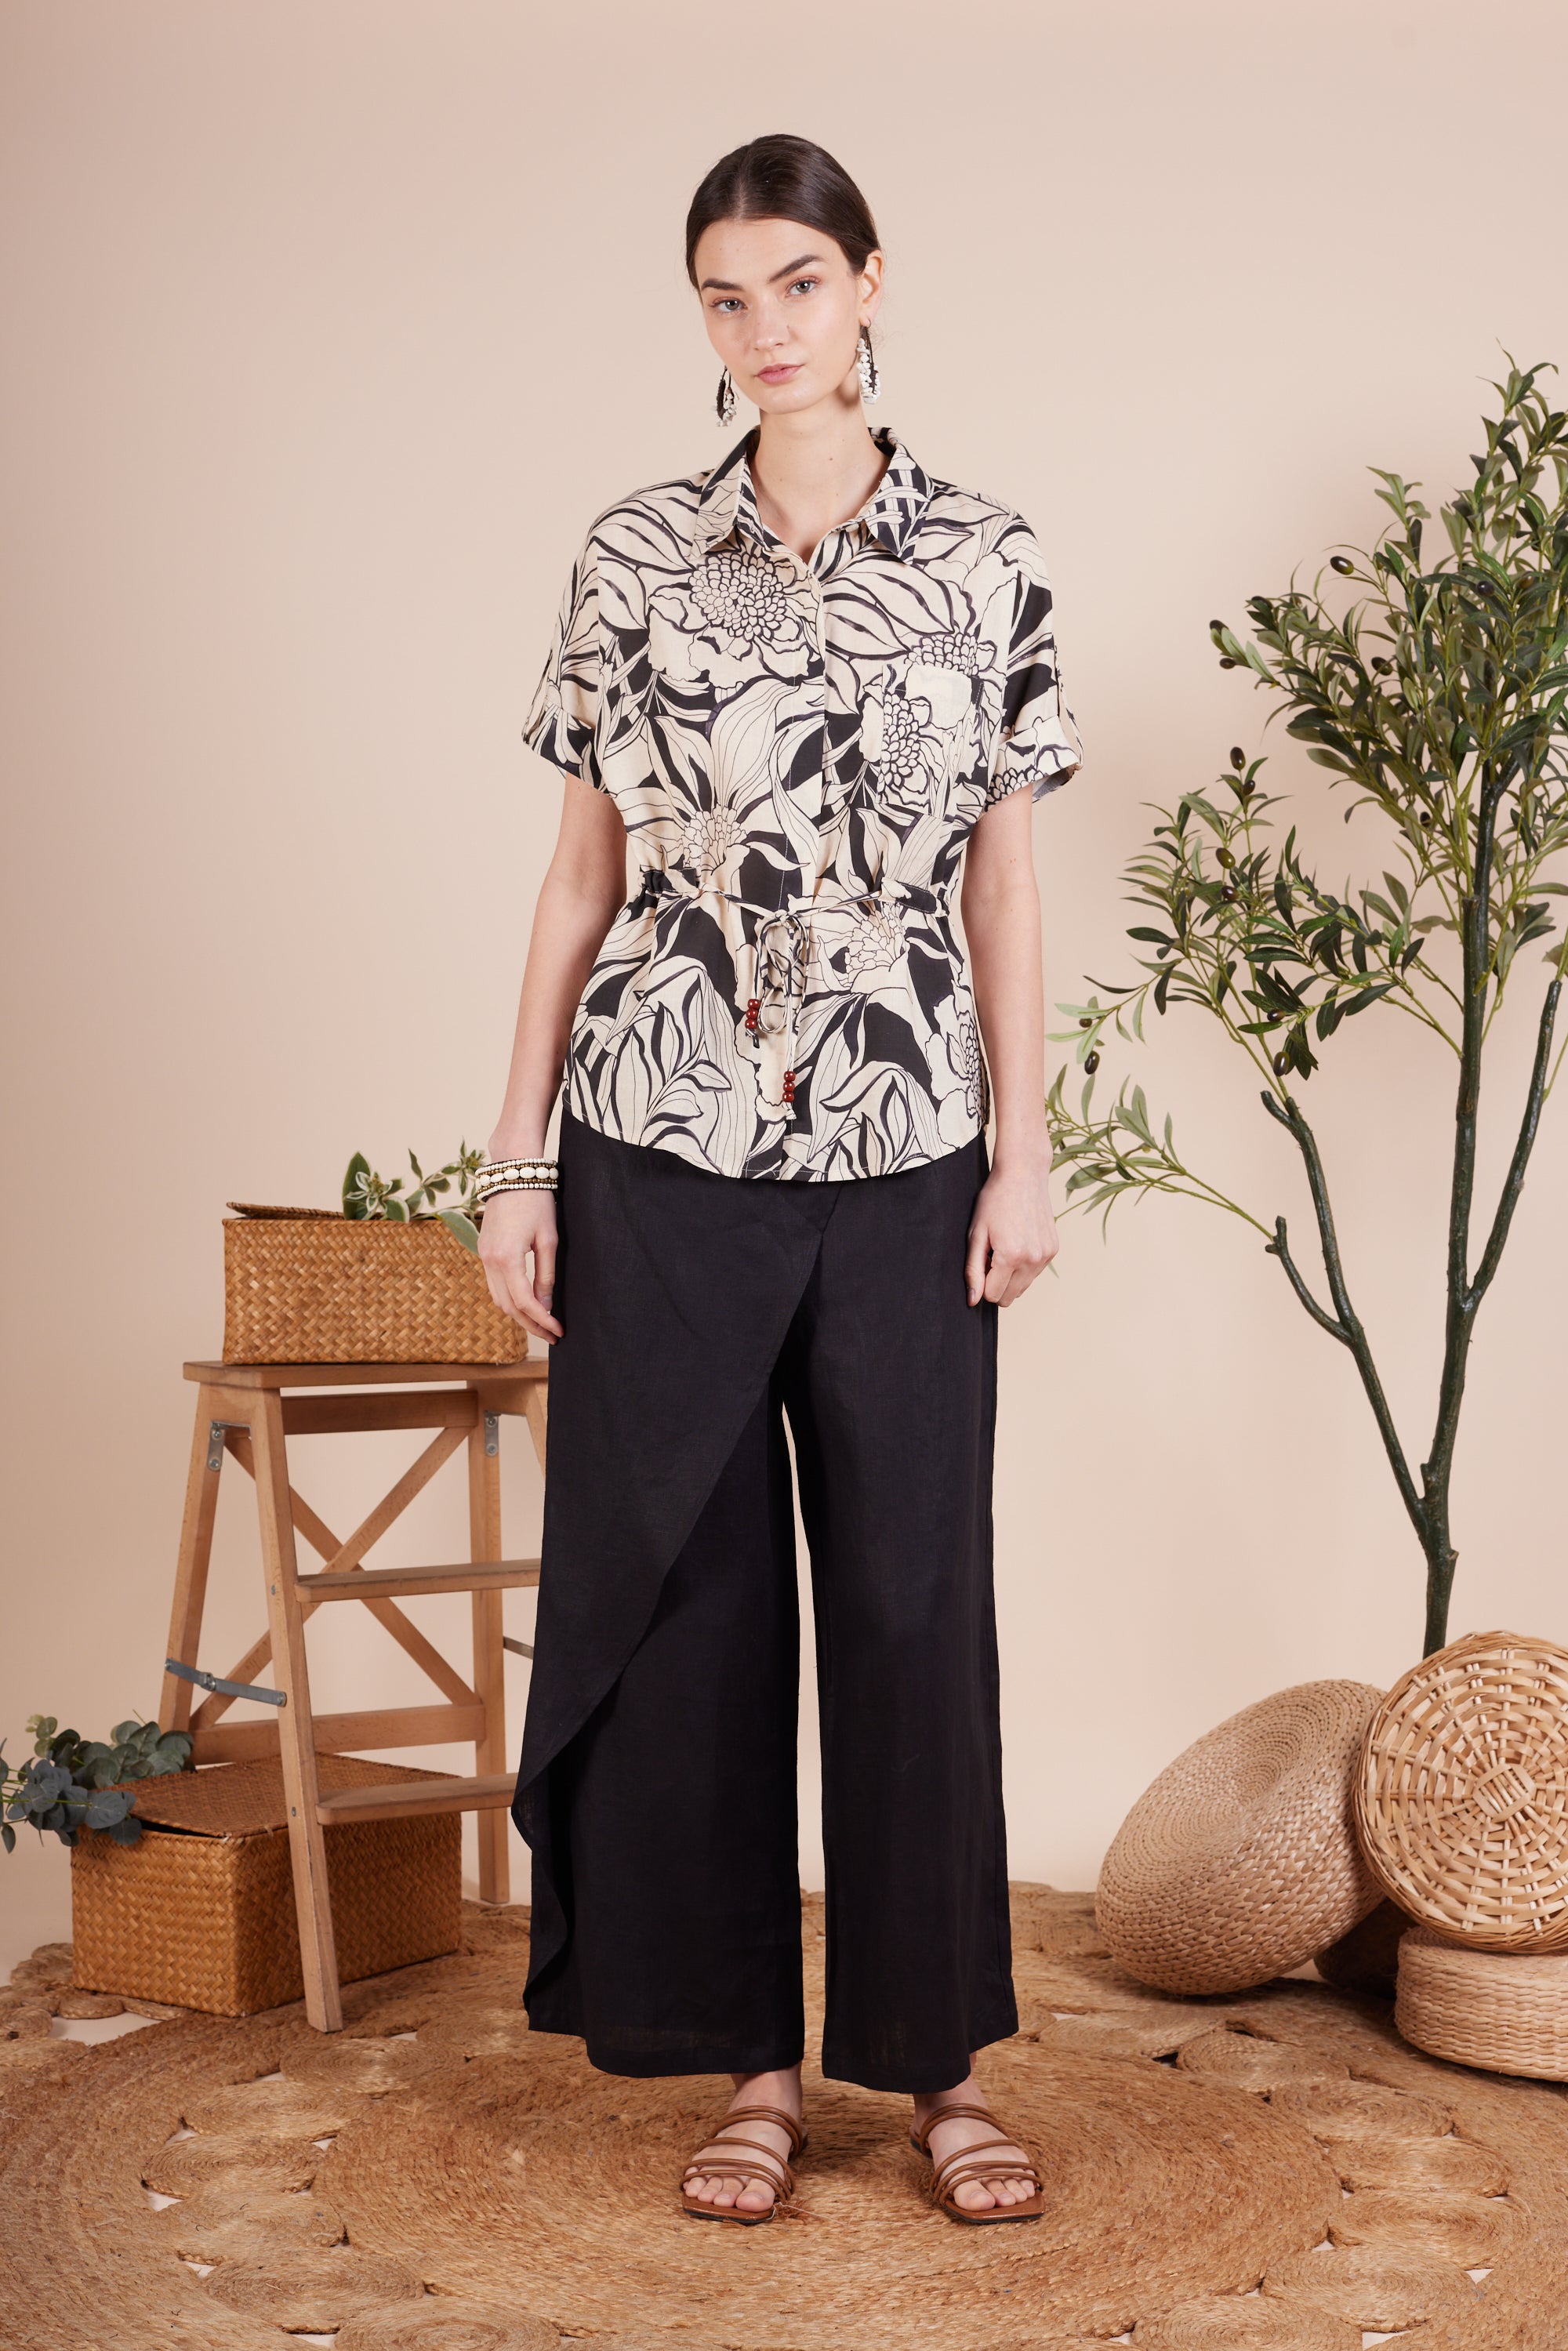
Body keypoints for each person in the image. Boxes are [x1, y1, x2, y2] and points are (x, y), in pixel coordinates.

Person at [478, 131, 1080, 2228]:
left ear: (871, 283)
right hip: (661, 1145)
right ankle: (750, 2072)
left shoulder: (988, 557)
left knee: (912, 1606)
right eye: (727, 298)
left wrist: (1024, 1150)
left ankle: (940, 2075)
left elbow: (1006, 882)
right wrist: (516, 1163)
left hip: (909, 1154)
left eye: (799, 285)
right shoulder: (633, 554)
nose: (766, 330)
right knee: (701, 1617)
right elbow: (579, 883)